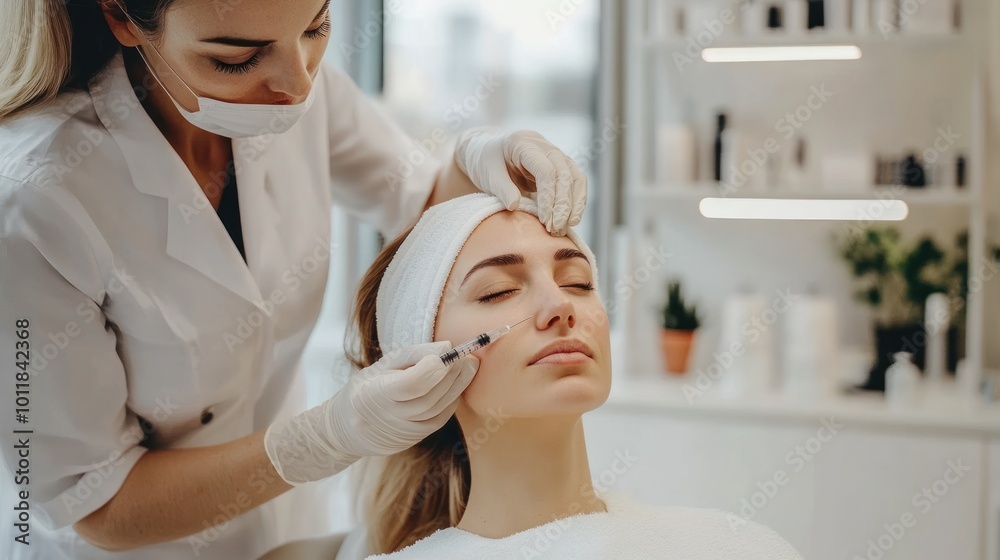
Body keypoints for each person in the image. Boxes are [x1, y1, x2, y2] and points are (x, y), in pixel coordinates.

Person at [0, 1, 587, 559]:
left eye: (317, 27)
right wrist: (326, 438)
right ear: (121, 18)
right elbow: (97, 504)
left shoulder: (296, 76)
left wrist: (478, 162)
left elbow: (422, 202)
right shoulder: (36, 201)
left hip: (288, 533)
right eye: (235, 58)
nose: (298, 84)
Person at [334, 193, 804, 559]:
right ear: (422, 369)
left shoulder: (735, 549)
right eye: (498, 292)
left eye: (578, 282)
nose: (560, 305)